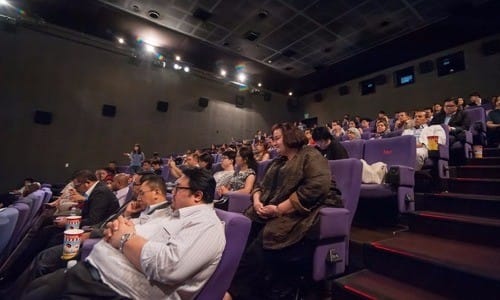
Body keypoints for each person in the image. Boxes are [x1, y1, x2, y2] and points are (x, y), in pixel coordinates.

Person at [21, 169, 225, 300]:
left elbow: (169, 267)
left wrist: (125, 238)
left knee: (36, 290)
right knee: (35, 288)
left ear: (197, 195)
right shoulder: (177, 216)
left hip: (111, 289)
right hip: (97, 274)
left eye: (178, 187)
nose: (171, 190)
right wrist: (119, 227)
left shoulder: (206, 224)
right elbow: (135, 231)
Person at [225, 122, 343, 300]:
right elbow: (260, 186)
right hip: (273, 207)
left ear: (289, 137)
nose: (273, 142)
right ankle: (242, 286)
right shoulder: (277, 162)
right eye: (273, 138)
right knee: (246, 225)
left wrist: (279, 209)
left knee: (269, 235)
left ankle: (233, 292)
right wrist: (257, 202)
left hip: (304, 208)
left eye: (277, 138)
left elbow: (317, 186)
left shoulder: (310, 154)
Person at [430, 97, 471, 165]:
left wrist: (451, 128)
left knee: (447, 139)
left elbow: (465, 127)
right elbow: (431, 126)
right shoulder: (438, 115)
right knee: (430, 141)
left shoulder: (463, 114)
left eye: (451, 106)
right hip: (438, 135)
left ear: (456, 106)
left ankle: (446, 163)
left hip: (453, 135)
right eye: (446, 106)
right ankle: (435, 162)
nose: (448, 108)